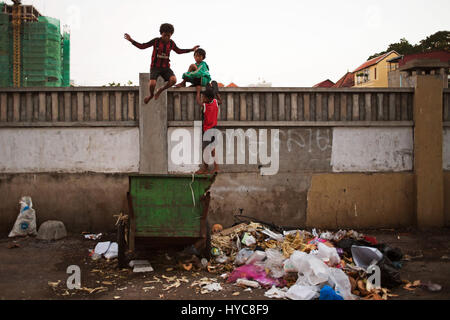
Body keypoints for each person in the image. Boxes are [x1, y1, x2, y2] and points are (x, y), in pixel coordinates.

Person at [124, 23, 199, 103]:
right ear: (161, 34)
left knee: (174, 80)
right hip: (155, 67)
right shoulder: (156, 41)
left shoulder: (171, 43)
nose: (166, 37)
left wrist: (191, 50)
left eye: (168, 36)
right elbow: (143, 46)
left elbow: (179, 51)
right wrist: (131, 40)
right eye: (165, 35)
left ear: (171, 35)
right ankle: (151, 95)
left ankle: (160, 90)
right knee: (152, 84)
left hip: (166, 68)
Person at [196, 87, 220, 174]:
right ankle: (216, 167)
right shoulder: (215, 102)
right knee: (212, 148)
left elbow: (198, 101)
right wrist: (216, 93)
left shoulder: (205, 105)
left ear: (209, 98)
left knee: (205, 149)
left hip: (207, 130)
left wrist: (198, 91)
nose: (203, 99)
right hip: (214, 128)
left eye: (204, 97)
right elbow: (220, 101)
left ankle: (205, 168)